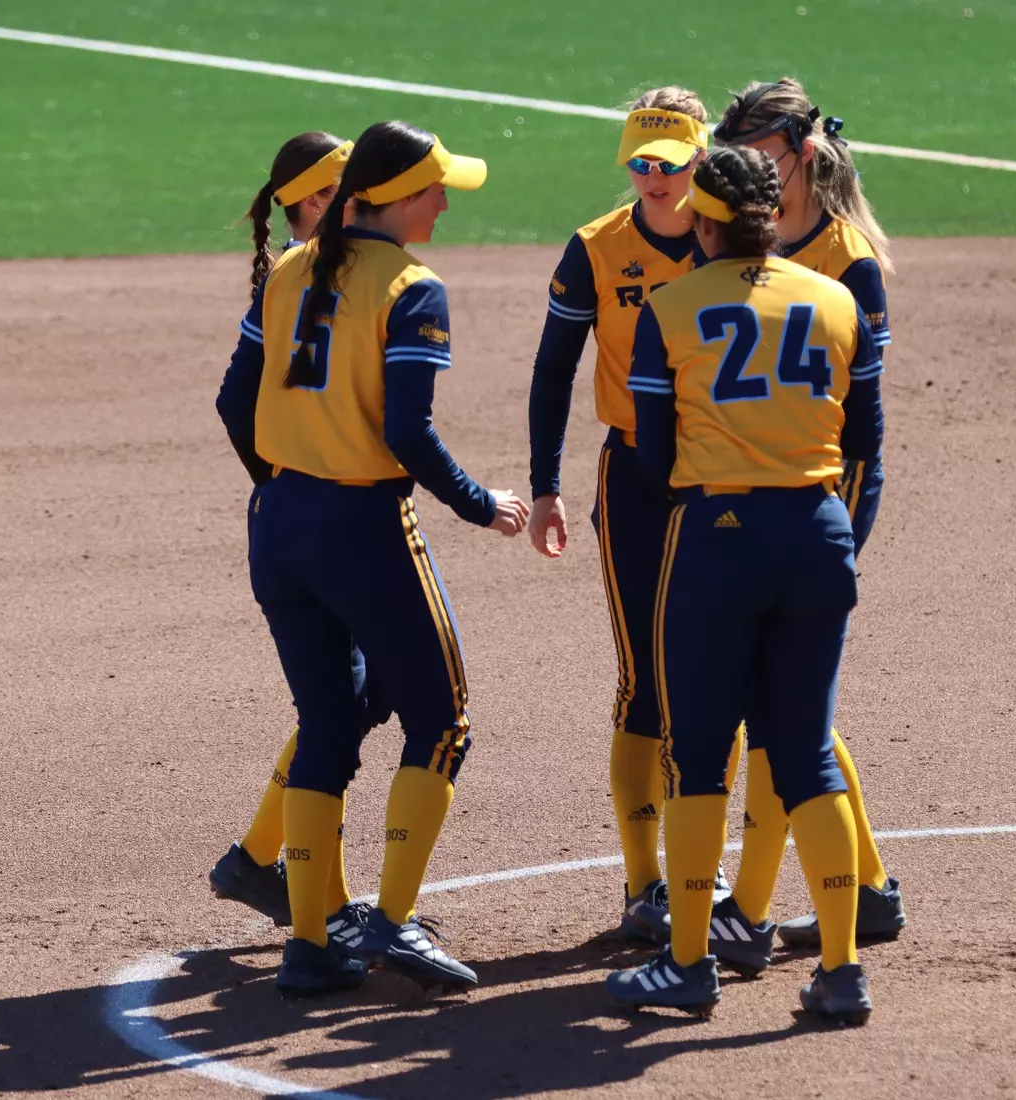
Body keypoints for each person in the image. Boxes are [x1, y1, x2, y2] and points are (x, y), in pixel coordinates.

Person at [216, 119, 529, 997]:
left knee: (326, 728)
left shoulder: (285, 270)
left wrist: (280, 480)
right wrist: (479, 503)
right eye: (436, 190)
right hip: (363, 531)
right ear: (392, 200)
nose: (445, 203)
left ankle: (311, 944)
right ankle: (391, 923)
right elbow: (407, 431)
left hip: (278, 530)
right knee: (443, 721)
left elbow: (234, 398)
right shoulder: (412, 288)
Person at [606, 145, 885, 1024]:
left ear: (703, 218)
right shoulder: (837, 298)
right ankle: (842, 972)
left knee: (698, 755)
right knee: (805, 755)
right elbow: (866, 432)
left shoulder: (672, 305)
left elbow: (652, 455)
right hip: (817, 534)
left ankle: (689, 963)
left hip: (718, 540)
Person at [525, 87, 739, 942]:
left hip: (722, 469)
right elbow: (553, 373)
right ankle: (646, 882)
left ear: (700, 159)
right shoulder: (596, 250)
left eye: (670, 164)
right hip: (634, 479)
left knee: (717, 677)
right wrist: (546, 486)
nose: (653, 179)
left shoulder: (732, 240)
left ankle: (706, 870)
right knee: (646, 678)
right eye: (639, 164)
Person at [709, 78, 906, 951]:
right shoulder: (731, 237)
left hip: (814, 501)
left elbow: (863, 428)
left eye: (764, 151)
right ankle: (865, 888)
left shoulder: (847, 261)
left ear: (805, 154)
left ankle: (748, 912)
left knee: (781, 716)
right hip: (750, 500)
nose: (751, 166)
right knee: (794, 715)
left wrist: (845, 536)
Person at [210, 131, 384, 959]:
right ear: (315, 202)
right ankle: (320, 897)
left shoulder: (326, 275)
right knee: (340, 704)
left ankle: (256, 858)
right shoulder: (299, 282)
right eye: (346, 190)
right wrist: (288, 479)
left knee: (356, 695)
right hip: (321, 522)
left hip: (314, 516)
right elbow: (231, 399)